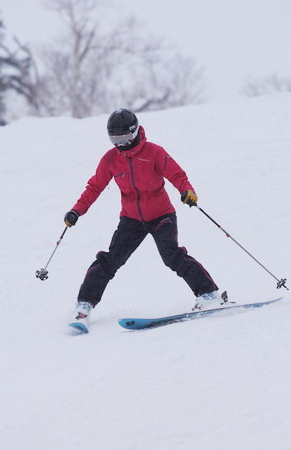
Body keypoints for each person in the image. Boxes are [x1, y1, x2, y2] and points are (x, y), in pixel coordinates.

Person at [64, 108, 226, 328]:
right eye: (115, 139)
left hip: (161, 215)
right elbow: (95, 187)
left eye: (125, 138)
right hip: (131, 220)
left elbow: (177, 174)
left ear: (135, 131)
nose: (121, 143)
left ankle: (209, 295)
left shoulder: (154, 152)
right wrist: (77, 211)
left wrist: (186, 190)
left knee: (172, 256)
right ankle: (83, 307)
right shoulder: (110, 159)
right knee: (109, 261)